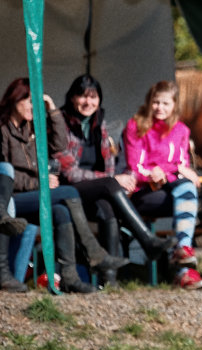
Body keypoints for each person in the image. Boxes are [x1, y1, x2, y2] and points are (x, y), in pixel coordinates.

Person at [0, 78, 129, 293]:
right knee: (68, 192)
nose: (34, 108)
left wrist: (52, 110)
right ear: (16, 100)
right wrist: (38, 182)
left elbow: (60, 145)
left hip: (32, 194)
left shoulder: (30, 129)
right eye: (30, 102)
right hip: (10, 198)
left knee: (61, 211)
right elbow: (4, 173)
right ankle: (94, 252)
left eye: (37, 103)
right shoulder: (3, 130)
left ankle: (69, 277)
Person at [55, 75, 177, 286]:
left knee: (107, 209)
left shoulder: (98, 121)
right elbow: (70, 173)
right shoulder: (61, 123)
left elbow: (109, 162)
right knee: (111, 183)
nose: (88, 102)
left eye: (93, 97)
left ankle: (109, 280)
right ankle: (147, 240)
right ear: (73, 98)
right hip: (69, 189)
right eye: (83, 97)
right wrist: (111, 179)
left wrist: (111, 179)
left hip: (96, 190)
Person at [123, 80, 202, 290]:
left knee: (186, 190)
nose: (159, 108)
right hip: (143, 191)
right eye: (156, 102)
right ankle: (183, 269)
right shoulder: (135, 126)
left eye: (165, 104)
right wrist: (168, 170)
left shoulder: (181, 130)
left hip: (171, 189)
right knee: (186, 197)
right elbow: (135, 167)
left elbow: (181, 164)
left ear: (174, 106)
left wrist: (172, 170)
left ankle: (183, 256)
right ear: (149, 102)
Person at [0, 161, 30, 292]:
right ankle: (4, 274)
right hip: (16, 188)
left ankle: (13, 277)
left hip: (17, 189)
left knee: (60, 210)